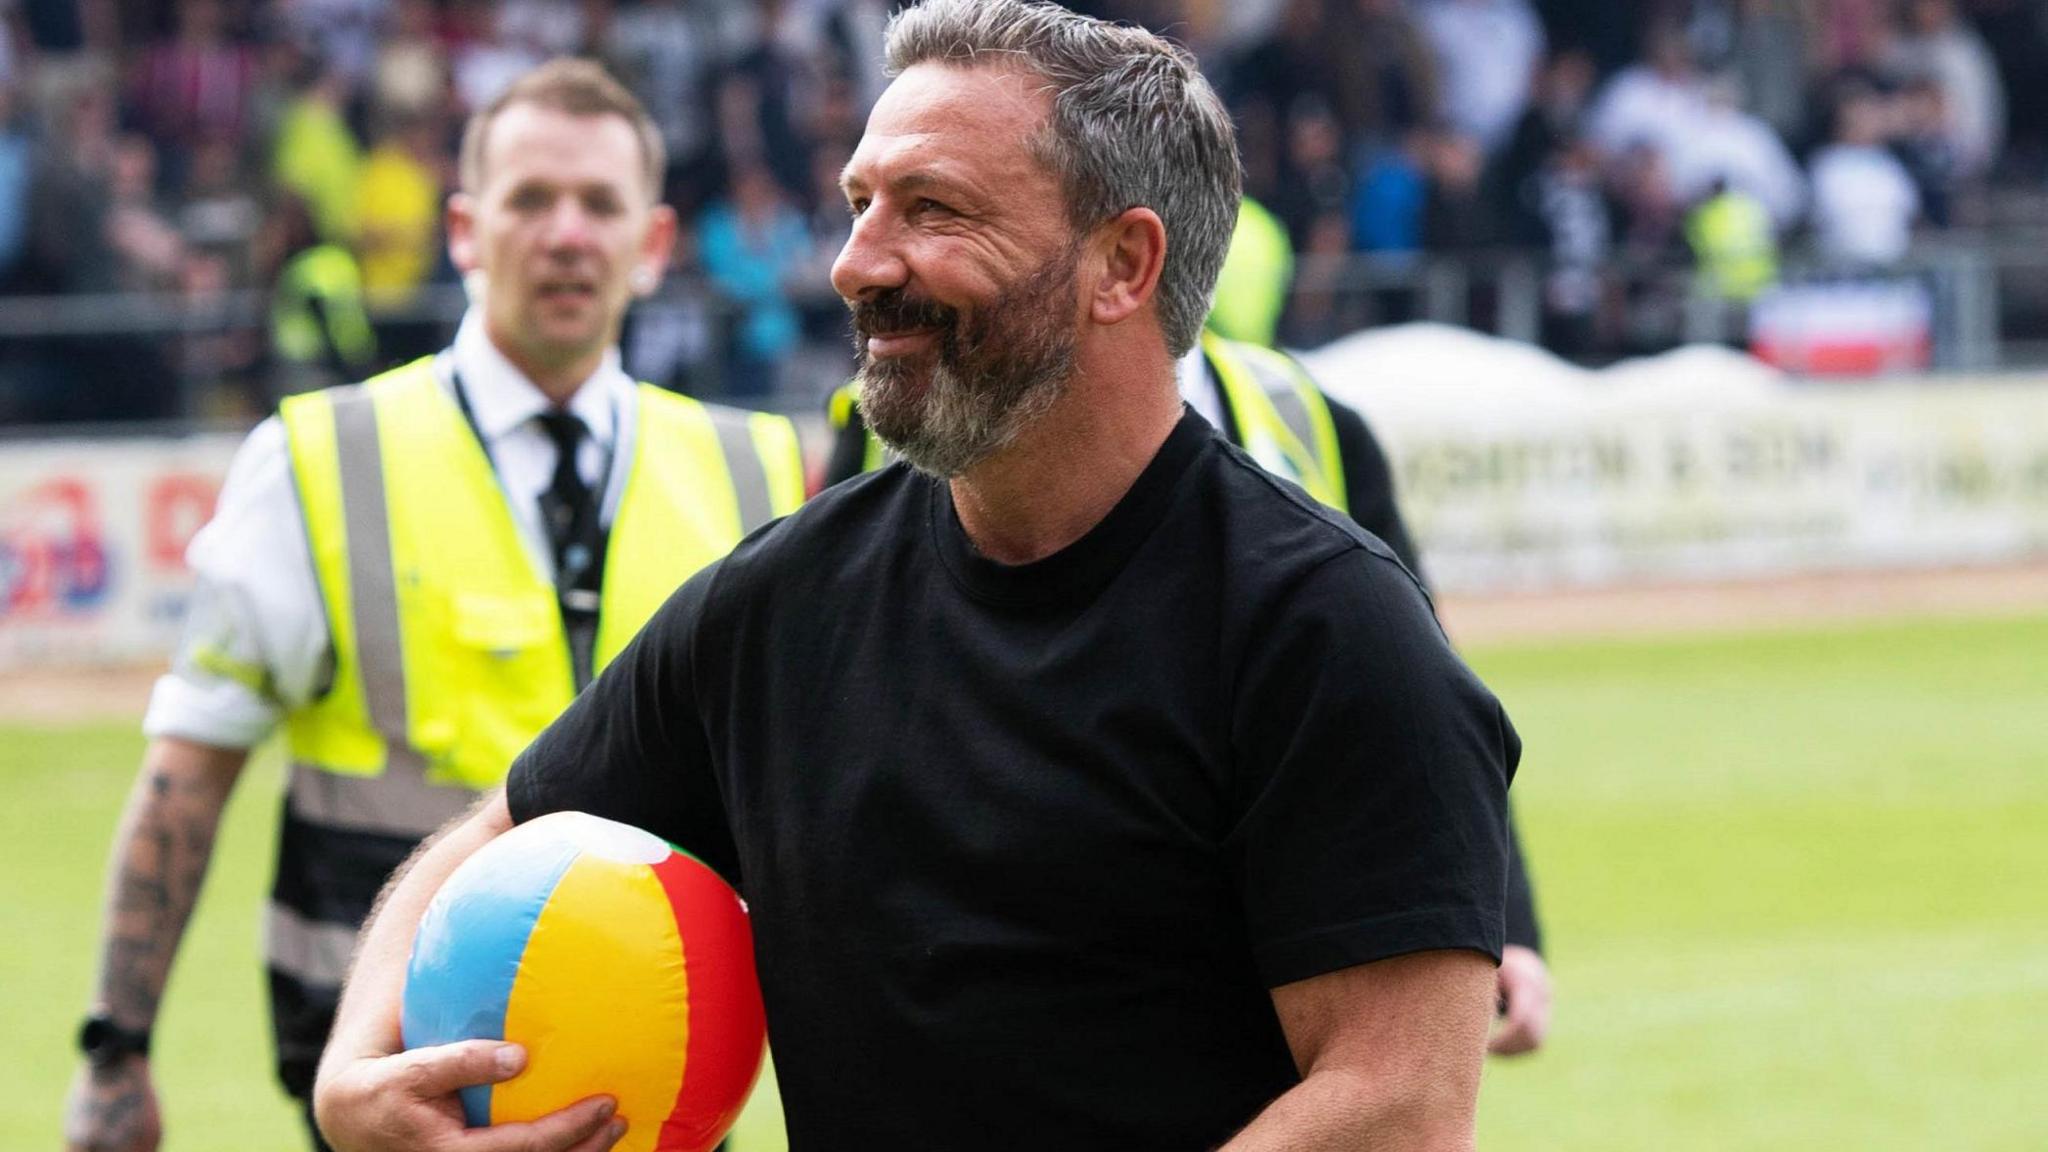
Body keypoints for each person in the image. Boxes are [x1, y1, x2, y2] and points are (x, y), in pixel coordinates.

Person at [315, 4, 1518, 1150]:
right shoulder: (779, 607)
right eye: (857, 203)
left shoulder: (1323, 631)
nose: (851, 263)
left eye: (929, 209)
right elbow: (508, 826)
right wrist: (357, 1067)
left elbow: (1397, 1108)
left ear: (1122, 263)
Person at [62, 58, 805, 1152]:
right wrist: (113, 1049)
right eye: (529, 200)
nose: (565, 233)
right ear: (463, 231)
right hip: (389, 1107)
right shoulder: (317, 460)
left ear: (651, 248)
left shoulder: (759, 472)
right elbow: (188, 775)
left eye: (599, 205)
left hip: (664, 1102)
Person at [823, 200, 1556, 1061]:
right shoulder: (882, 420)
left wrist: (1505, 919)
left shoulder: (1311, 419)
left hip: (1270, 927)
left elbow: (1426, 695)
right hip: (971, 932)